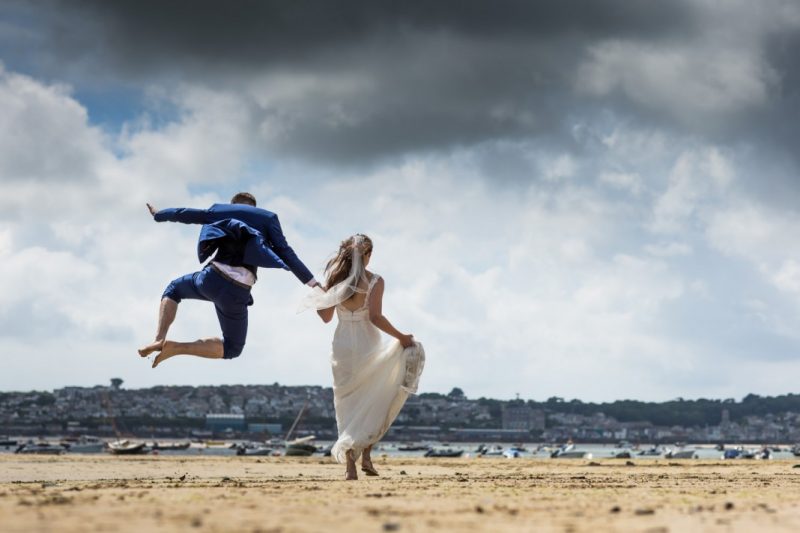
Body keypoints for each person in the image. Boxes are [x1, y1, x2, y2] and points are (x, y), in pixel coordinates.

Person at [138, 192, 319, 368]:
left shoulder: (220, 210)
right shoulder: (267, 218)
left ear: (233, 204)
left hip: (211, 278)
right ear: (254, 207)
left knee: (174, 289)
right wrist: (314, 284)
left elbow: (185, 214)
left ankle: (159, 339)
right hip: (237, 291)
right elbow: (286, 253)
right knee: (232, 348)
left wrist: (158, 215)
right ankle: (176, 348)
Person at [303, 234, 424, 480]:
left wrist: (321, 295)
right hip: (369, 345)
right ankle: (366, 454)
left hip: (343, 348)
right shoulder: (375, 281)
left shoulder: (335, 280)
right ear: (367, 255)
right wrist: (402, 337)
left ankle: (351, 466)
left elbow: (326, 317)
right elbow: (375, 318)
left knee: (347, 405)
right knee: (375, 398)